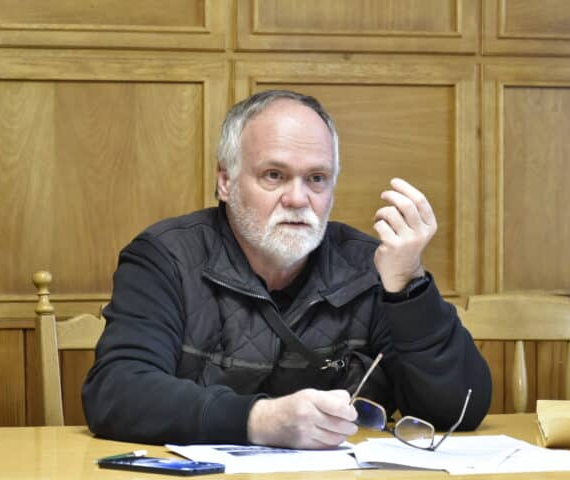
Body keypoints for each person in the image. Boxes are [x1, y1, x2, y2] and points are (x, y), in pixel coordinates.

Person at [82, 89, 491, 448]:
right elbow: (117, 392)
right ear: (226, 182)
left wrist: (408, 286)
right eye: (274, 175)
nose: (298, 199)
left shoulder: (371, 267)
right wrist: (261, 420)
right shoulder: (165, 258)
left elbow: (460, 409)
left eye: (316, 178)